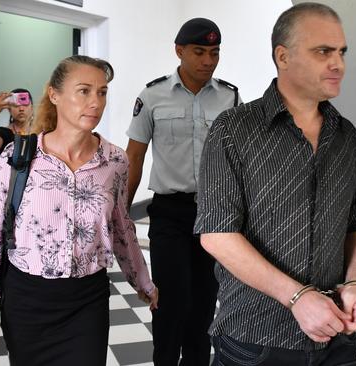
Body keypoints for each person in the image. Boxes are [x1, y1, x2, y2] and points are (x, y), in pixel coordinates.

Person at [194, 3, 356, 365]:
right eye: (323, 51)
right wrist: (298, 297)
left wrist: (354, 283)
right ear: (283, 56)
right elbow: (216, 234)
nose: (337, 64)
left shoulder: (348, 139)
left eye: (341, 52)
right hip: (255, 337)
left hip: (333, 334)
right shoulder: (233, 130)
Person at [0, 55, 158, 365]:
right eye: (84, 90)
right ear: (54, 95)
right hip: (27, 300)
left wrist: (142, 281)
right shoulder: (18, 157)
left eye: (102, 92)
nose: (95, 102)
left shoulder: (115, 162)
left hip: (86, 300)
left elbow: (122, 227)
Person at [125, 17, 241, 366]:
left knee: (204, 301)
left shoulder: (229, 96)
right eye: (199, 52)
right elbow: (134, 157)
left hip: (213, 214)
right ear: (179, 51)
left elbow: (237, 159)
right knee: (169, 300)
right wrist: (120, 217)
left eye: (214, 52)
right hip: (169, 214)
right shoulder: (153, 95)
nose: (208, 60)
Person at [0, 88, 34, 154]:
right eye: (16, 105)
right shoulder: (5, 133)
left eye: (25, 105)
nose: (21, 109)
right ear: (9, 109)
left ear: (31, 108)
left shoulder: (41, 133)